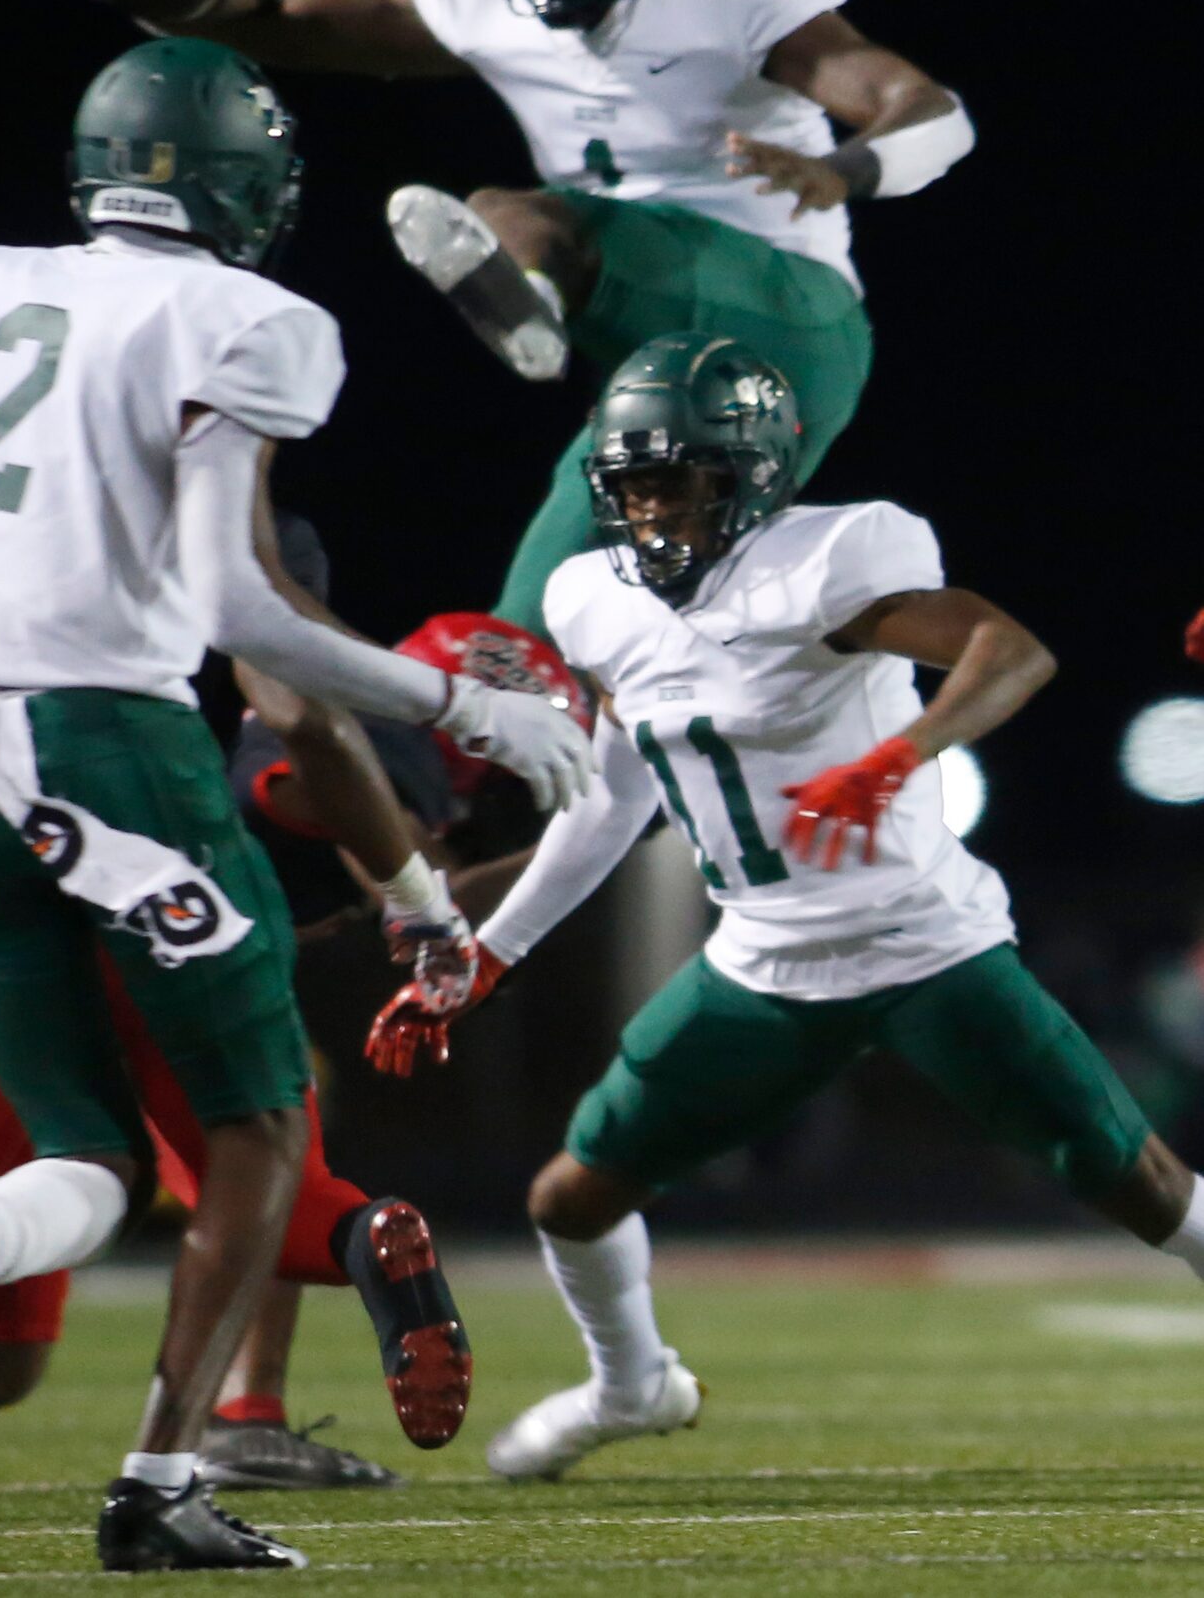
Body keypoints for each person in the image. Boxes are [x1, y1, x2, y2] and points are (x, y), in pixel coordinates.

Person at [0, 36, 589, 1571]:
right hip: (109, 738)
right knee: (255, 1130)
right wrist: (463, 701)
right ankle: (163, 1480)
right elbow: (236, 602)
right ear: (244, 183)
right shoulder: (243, 315)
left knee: (89, 1154)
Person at [365, 335, 1204, 1481]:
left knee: (1141, 1186)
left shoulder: (829, 560)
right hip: (761, 963)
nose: (650, 510)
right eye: (633, 484)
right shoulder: (591, 597)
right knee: (570, 1196)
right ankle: (631, 1386)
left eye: (677, 480)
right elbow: (613, 794)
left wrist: (900, 754)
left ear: (748, 471)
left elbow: (1009, 652)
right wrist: (492, 953)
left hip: (922, 945)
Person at [26, 0, 974, 636]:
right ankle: (471, 804)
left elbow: (926, 110)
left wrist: (840, 171)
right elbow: (276, 18)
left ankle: (528, 297)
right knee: (525, 644)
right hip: (656, 371)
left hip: (783, 318)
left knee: (519, 216)